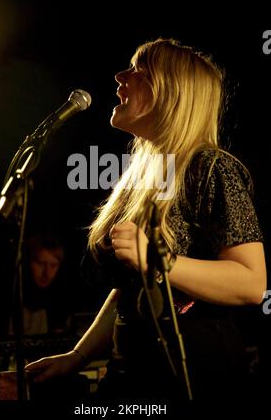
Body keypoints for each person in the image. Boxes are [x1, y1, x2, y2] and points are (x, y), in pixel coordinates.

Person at [25, 38, 266, 402]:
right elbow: (132, 290)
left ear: (173, 93)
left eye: (138, 70)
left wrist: (157, 259)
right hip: (130, 368)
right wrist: (77, 356)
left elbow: (251, 283)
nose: (120, 76)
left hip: (195, 373)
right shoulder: (142, 178)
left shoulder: (212, 168)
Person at [10, 233, 75, 336]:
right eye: (40, 263)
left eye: (53, 265)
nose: (46, 272)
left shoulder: (60, 303)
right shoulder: (13, 297)